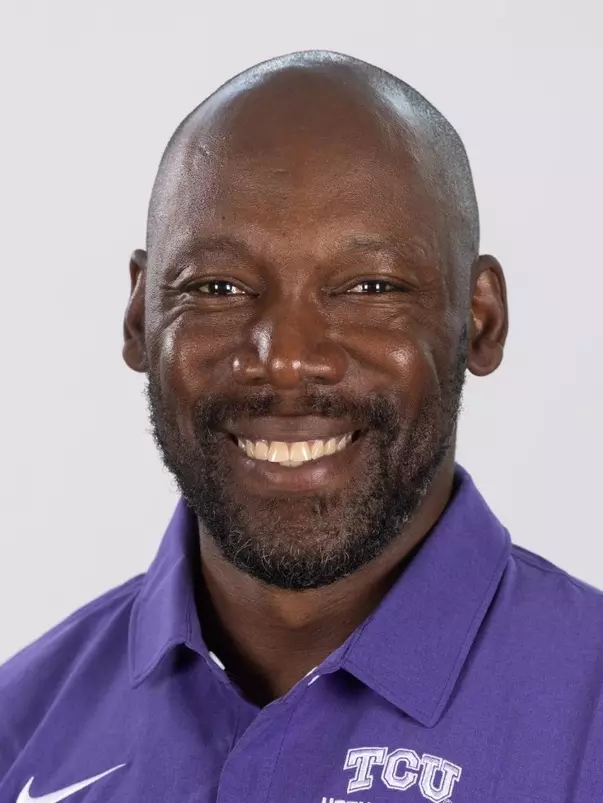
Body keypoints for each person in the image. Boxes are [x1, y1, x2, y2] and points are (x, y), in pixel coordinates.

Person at [1, 49, 602, 803]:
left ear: (479, 321)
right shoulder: (21, 729)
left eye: (370, 286)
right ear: (139, 316)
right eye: (218, 287)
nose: (285, 360)